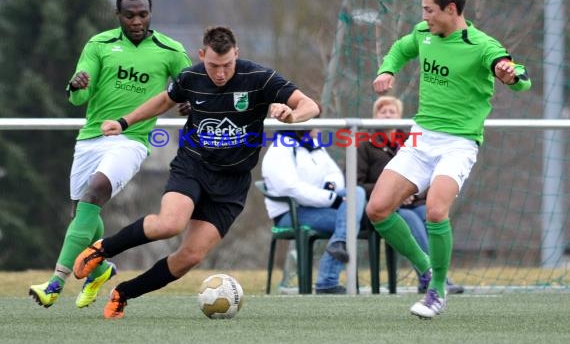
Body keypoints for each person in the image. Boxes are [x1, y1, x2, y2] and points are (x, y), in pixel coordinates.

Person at [72, 25, 320, 319]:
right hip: (193, 165)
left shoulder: (259, 78)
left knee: (190, 257)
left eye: (227, 65)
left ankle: (123, 293)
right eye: (213, 65)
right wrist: (124, 122)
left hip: (232, 182)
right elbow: (165, 100)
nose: (220, 73)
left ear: (237, 55)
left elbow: (310, 106)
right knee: (170, 224)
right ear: (202, 55)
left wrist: (292, 115)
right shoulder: (191, 77)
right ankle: (101, 251)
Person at [366, 0, 531, 319]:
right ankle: (426, 267)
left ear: (451, 9)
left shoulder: (482, 45)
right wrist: (388, 70)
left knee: (436, 212)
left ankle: (436, 290)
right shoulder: (424, 34)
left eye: (429, 10)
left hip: (458, 143)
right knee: (378, 209)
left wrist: (510, 74)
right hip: (421, 138)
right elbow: (400, 48)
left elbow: (519, 78)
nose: (424, 16)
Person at [29, 0, 191, 309]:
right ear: (118, 15)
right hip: (90, 138)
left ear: (150, 13)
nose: (136, 21)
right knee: (84, 213)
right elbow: (78, 96)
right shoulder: (99, 44)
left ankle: (55, 283)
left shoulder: (170, 50)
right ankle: (101, 269)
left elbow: (191, 89)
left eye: (142, 15)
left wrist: (190, 104)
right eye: (129, 15)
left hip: (131, 141)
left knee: (95, 192)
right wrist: (76, 85)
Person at [357, 96, 464, 294]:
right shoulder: (364, 144)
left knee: (431, 213)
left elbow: (426, 173)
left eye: (392, 111)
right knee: (410, 220)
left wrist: (412, 193)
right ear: (374, 116)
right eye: (383, 112)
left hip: (414, 201)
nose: (388, 115)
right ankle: (427, 274)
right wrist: (394, 191)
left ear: (400, 115)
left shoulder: (412, 141)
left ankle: (439, 277)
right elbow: (356, 183)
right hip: (388, 206)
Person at [262, 128, 365, 294]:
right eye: (314, 120)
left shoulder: (315, 145)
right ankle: (327, 281)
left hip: (319, 206)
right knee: (351, 222)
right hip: (291, 213)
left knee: (356, 192)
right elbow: (291, 189)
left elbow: (334, 172)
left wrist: (329, 186)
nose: (319, 126)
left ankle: (338, 244)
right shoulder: (279, 149)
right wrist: (332, 199)